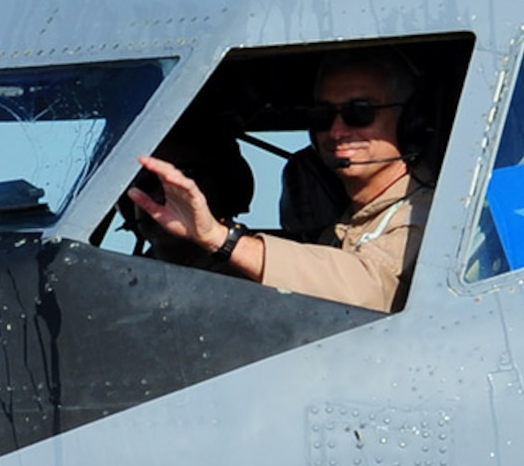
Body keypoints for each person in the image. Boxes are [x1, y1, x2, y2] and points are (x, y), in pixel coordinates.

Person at [127, 51, 433, 312]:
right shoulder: (345, 226)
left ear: (412, 121)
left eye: (360, 112)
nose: (337, 131)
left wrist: (222, 239)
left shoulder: (432, 212)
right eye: (322, 115)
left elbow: (370, 288)